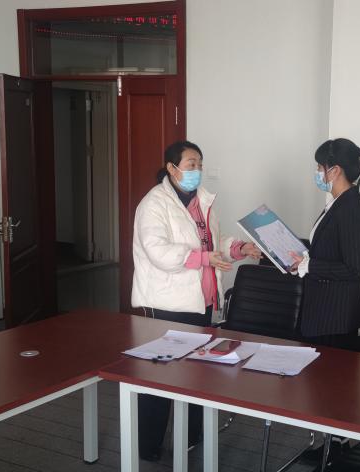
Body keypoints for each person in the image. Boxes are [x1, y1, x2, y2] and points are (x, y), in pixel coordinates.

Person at [131, 140, 261, 461]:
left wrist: (239, 248)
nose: (197, 170)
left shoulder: (203, 200)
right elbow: (158, 251)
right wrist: (204, 258)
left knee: (198, 374)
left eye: (200, 164)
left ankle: (191, 436)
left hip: (202, 303)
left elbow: (213, 242)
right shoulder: (154, 203)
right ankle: (147, 447)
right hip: (169, 305)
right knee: (160, 377)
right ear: (172, 168)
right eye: (191, 164)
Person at [289, 138, 360, 349]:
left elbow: (354, 269)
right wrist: (303, 260)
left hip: (334, 318)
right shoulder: (338, 202)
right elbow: (330, 250)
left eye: (319, 167)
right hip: (321, 312)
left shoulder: (351, 207)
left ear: (335, 171)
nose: (317, 172)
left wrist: (309, 265)